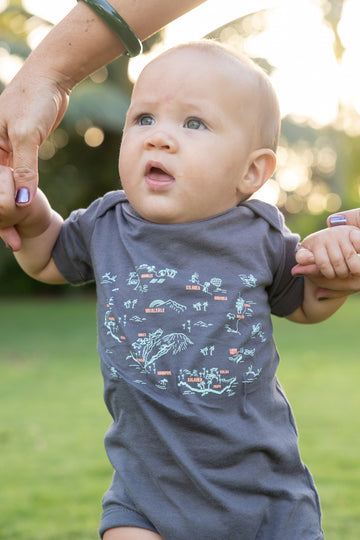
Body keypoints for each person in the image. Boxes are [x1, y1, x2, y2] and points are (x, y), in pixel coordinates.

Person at [0, 41, 358, 540]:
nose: (159, 138)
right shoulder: (108, 224)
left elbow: (305, 302)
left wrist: (335, 275)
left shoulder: (260, 234)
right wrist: (28, 211)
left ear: (252, 172)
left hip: (264, 498)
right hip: (146, 497)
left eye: (193, 124)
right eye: (144, 118)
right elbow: (46, 253)